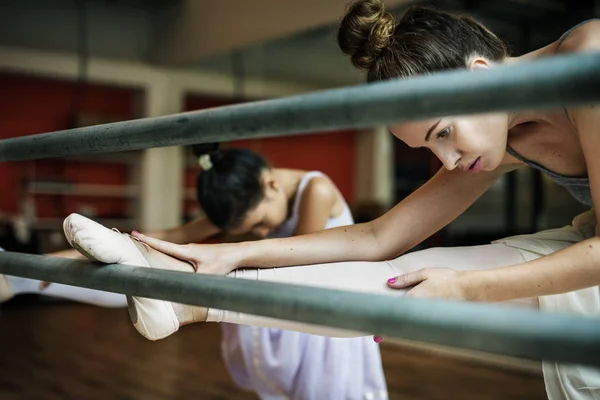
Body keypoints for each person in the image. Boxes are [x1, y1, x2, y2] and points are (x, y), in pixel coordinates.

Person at [62, 3, 600, 398]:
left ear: (479, 78)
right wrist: (231, 254)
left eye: (442, 133)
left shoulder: (587, 56)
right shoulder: (500, 136)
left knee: (440, 283)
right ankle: (186, 298)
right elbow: (378, 236)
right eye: (431, 147)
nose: (450, 161)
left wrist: (468, 288)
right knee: (408, 276)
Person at [38, 145, 388, 400]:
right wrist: (74, 255)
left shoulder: (318, 189)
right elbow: (174, 236)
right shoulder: (241, 198)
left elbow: (298, 260)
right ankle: (38, 279)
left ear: (271, 184)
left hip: (320, 308)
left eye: (262, 224)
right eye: (255, 230)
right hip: (287, 300)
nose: (264, 234)